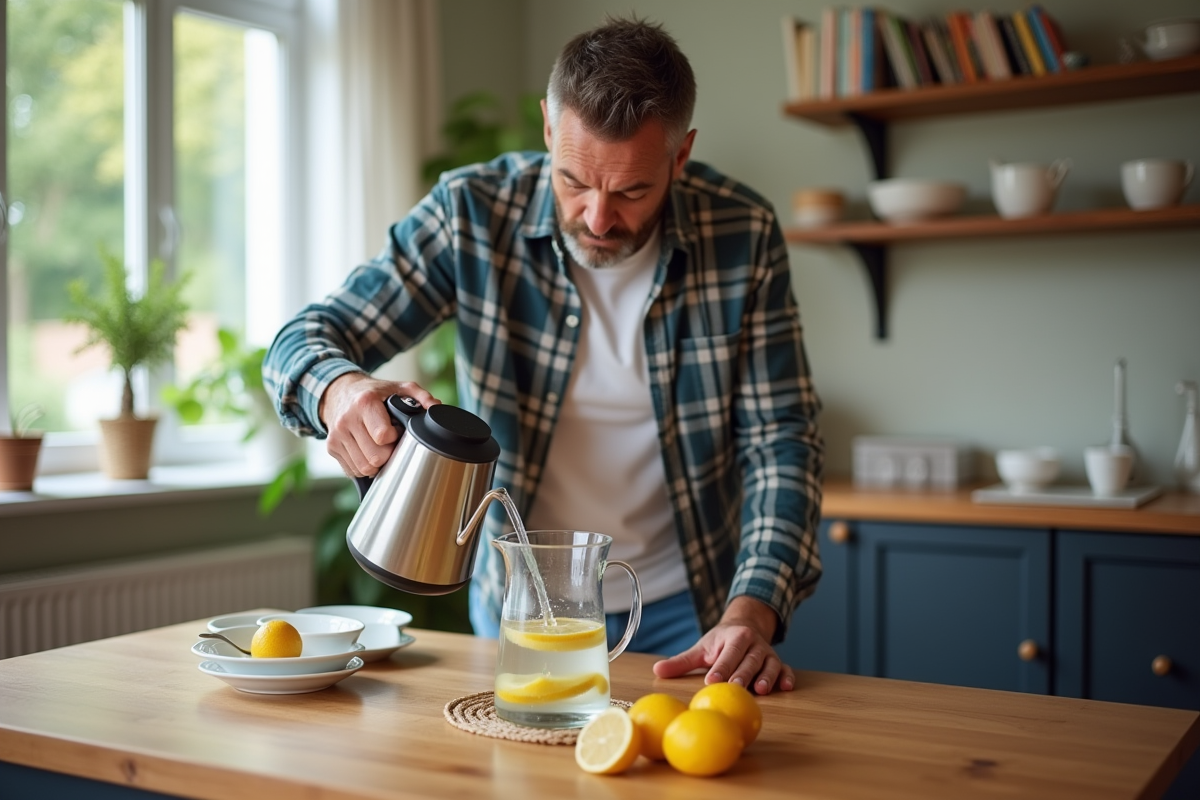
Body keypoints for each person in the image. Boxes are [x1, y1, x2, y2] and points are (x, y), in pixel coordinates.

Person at [264, 17, 823, 695]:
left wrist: (753, 611)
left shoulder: (743, 232)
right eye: (574, 181)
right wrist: (337, 389)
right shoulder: (471, 215)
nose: (597, 218)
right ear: (548, 130)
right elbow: (304, 338)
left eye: (632, 191)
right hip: (520, 610)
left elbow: (781, 442)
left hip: (694, 611)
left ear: (680, 158)